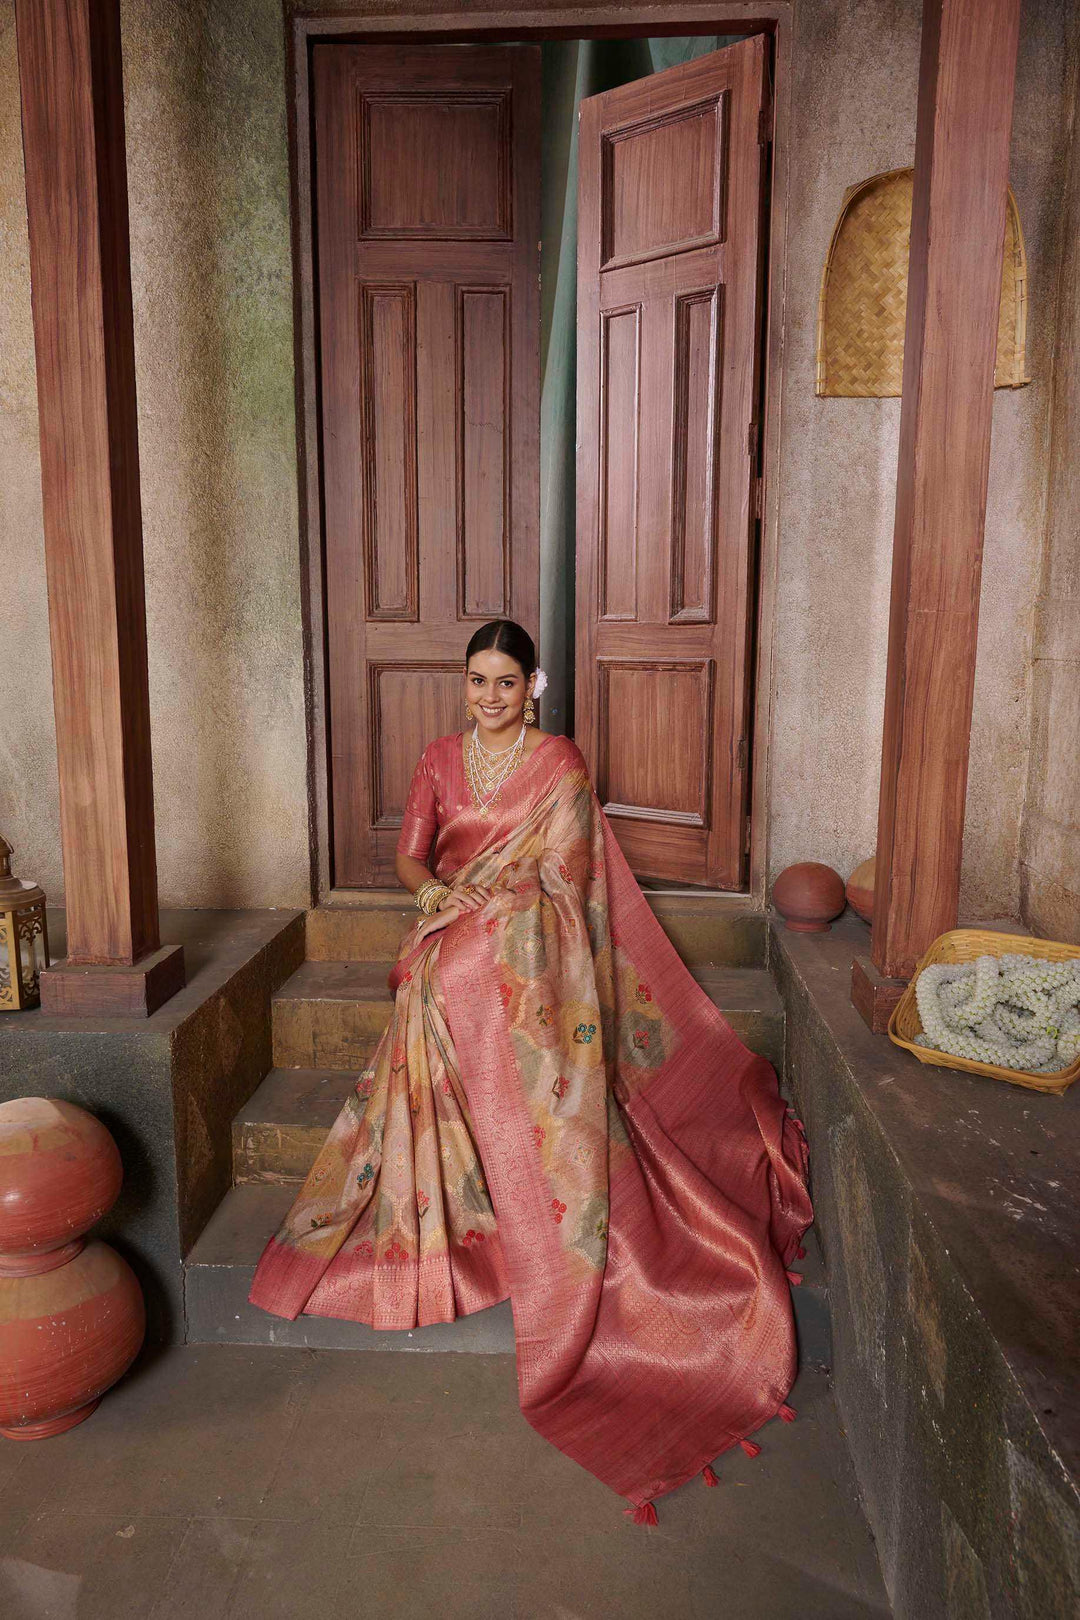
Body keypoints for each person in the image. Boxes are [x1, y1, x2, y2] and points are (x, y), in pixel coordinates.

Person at [249, 618, 812, 1522]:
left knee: (477, 963)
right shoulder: (439, 757)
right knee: (436, 975)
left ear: (534, 686)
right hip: (454, 913)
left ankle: (524, 1163)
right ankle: (466, 1199)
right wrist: (436, 893)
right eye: (478, 682)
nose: (490, 697)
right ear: (464, 684)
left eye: (506, 683)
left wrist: (498, 904)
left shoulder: (560, 764)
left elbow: (569, 872)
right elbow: (410, 852)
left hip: (529, 928)